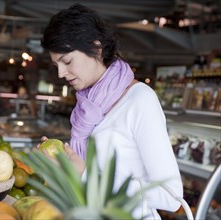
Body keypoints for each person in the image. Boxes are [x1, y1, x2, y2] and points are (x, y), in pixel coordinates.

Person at [40, 3, 183, 219]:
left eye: (67, 61)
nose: (61, 73)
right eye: (56, 64)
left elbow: (171, 195)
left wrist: (85, 175)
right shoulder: (87, 105)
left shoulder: (140, 100)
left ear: (96, 48)